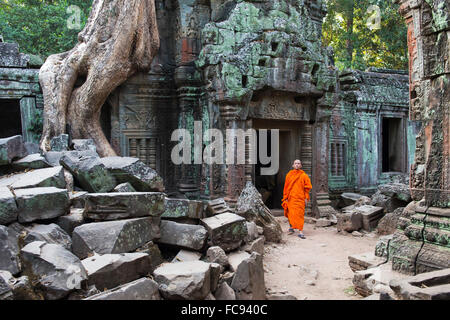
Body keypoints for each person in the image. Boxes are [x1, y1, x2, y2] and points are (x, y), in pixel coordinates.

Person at [281, 160, 312, 239]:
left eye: (299, 163)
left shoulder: (304, 175)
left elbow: (307, 188)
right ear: (293, 165)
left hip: (300, 198)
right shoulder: (289, 175)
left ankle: (300, 231)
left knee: (300, 215)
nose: (297, 165)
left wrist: (306, 197)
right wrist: (286, 198)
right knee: (291, 213)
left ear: (301, 165)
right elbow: (286, 187)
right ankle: (291, 227)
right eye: (296, 163)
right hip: (291, 198)